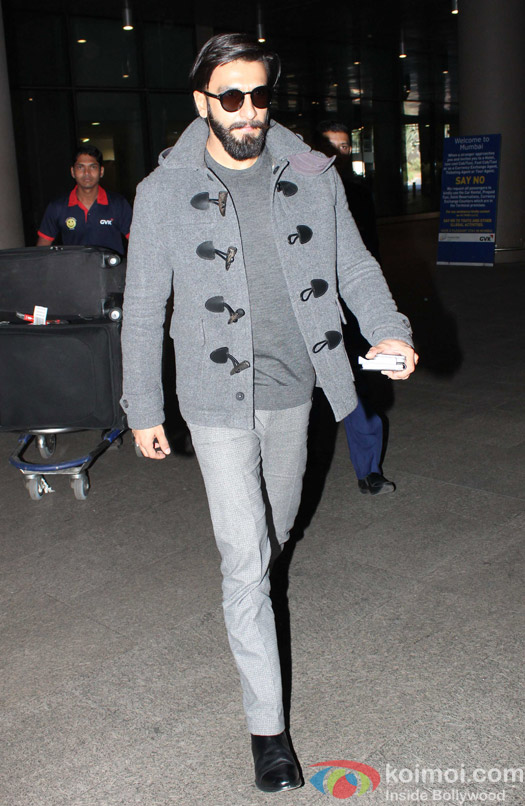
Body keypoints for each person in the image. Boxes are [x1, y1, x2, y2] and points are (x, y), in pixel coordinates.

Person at [120, 33, 417, 793]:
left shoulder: (313, 175)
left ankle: (250, 587)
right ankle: (268, 732)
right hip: (214, 400)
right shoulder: (162, 192)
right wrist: (143, 406)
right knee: (245, 561)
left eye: (258, 96)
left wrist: (389, 330)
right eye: (232, 97)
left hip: (294, 391)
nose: (248, 111)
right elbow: (144, 307)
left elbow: (354, 266)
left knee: (275, 534)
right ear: (202, 102)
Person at [317, 120, 395, 495]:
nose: (337, 154)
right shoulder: (297, 190)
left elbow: (368, 258)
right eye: (329, 146)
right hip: (306, 308)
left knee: (356, 386)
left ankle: (369, 470)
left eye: (344, 147)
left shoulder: (360, 195)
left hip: (347, 308)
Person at [36, 145, 132, 256]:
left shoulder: (118, 204)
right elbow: (42, 249)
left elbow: (138, 241)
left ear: (101, 171)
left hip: (110, 267)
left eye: (93, 167)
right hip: (74, 267)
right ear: (73, 172)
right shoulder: (58, 207)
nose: (87, 173)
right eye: (80, 167)